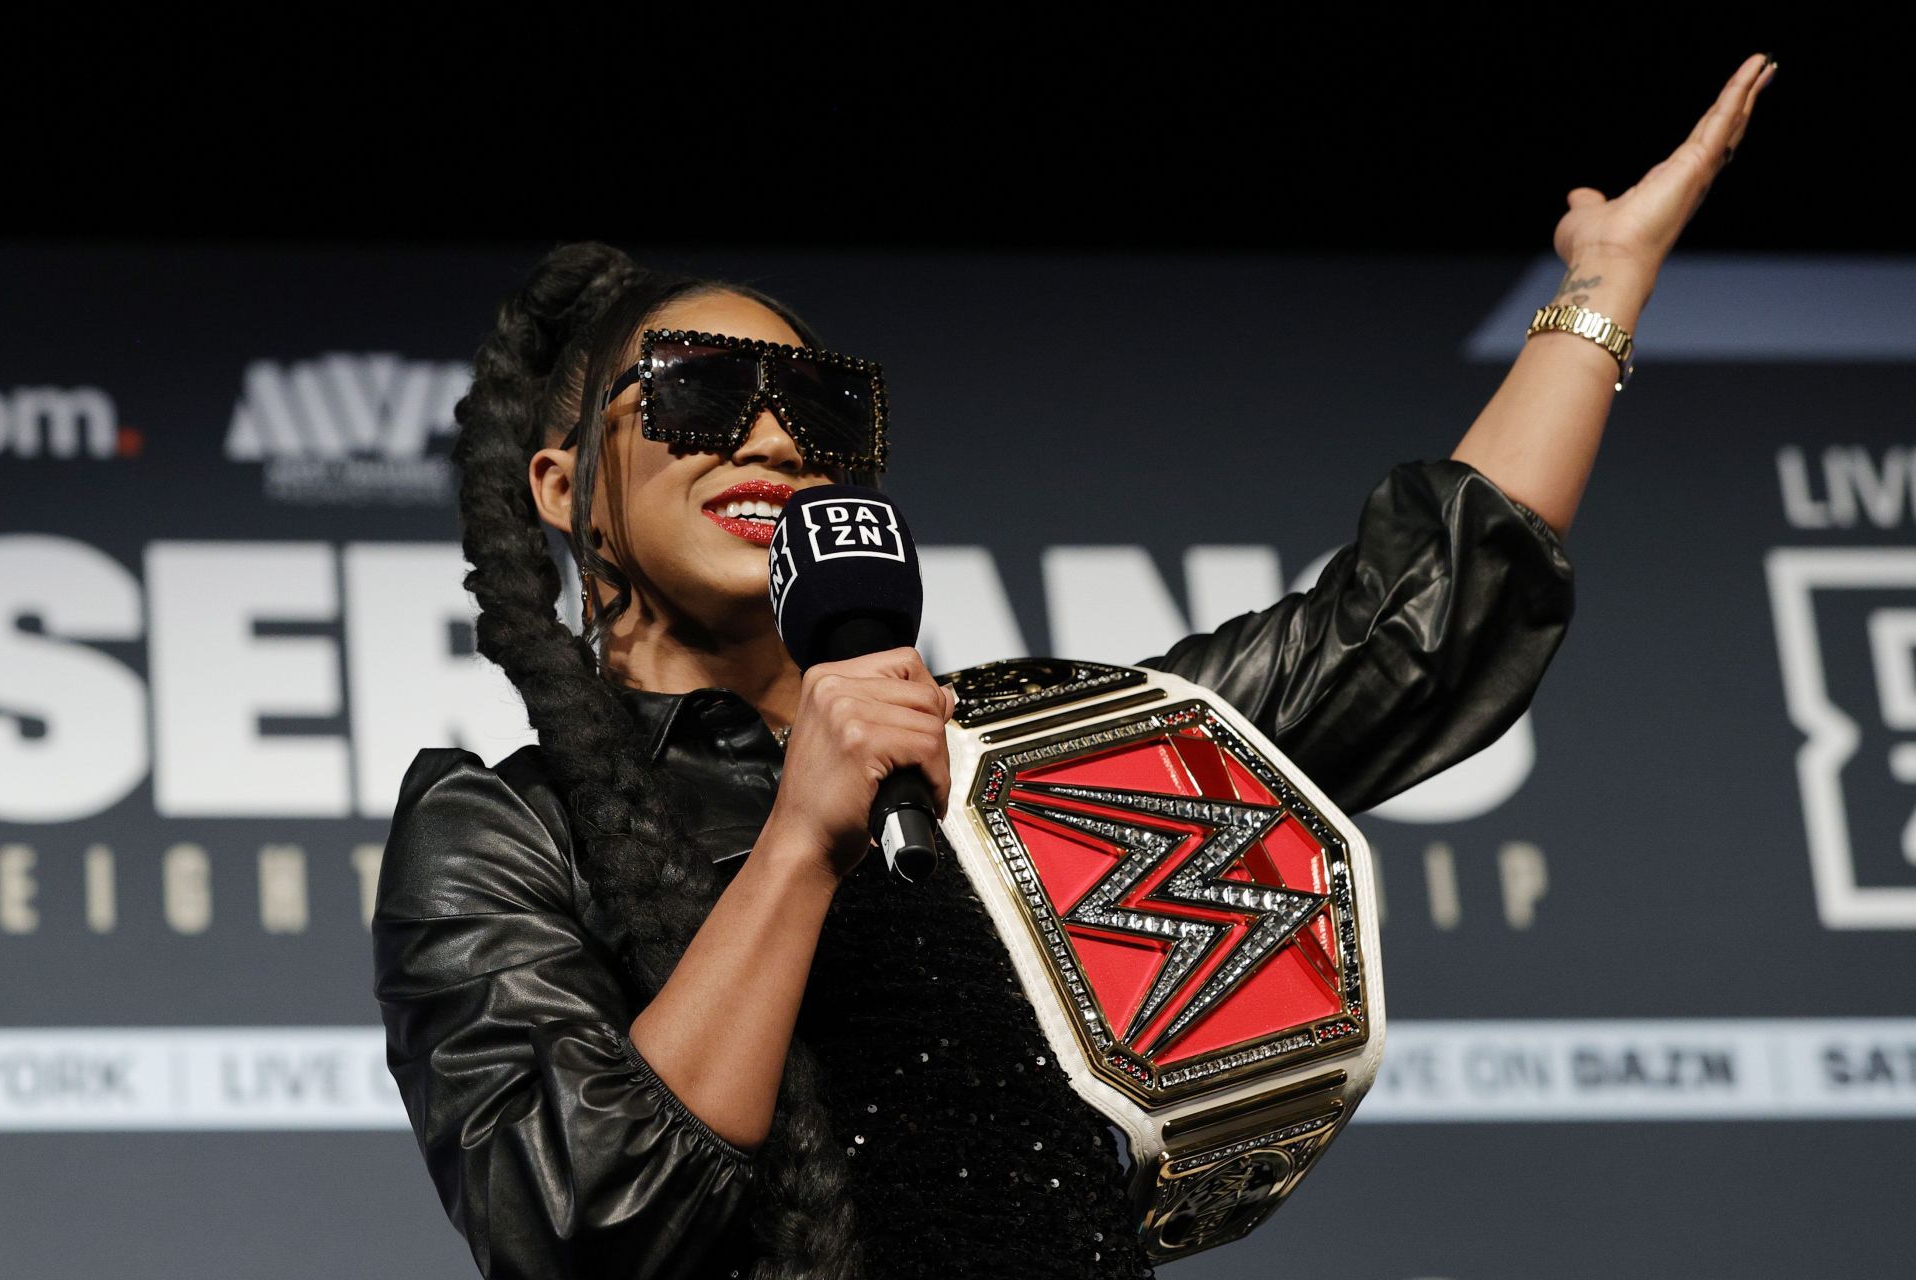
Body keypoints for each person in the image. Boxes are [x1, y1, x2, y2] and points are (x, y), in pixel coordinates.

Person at [371, 55, 1776, 1280]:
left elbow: (1409, 624)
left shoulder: (1020, 749)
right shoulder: (506, 831)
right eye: (693, 390)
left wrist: (1602, 290)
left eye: (817, 405)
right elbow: (582, 1219)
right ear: (560, 486)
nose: (775, 441)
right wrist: (805, 835)